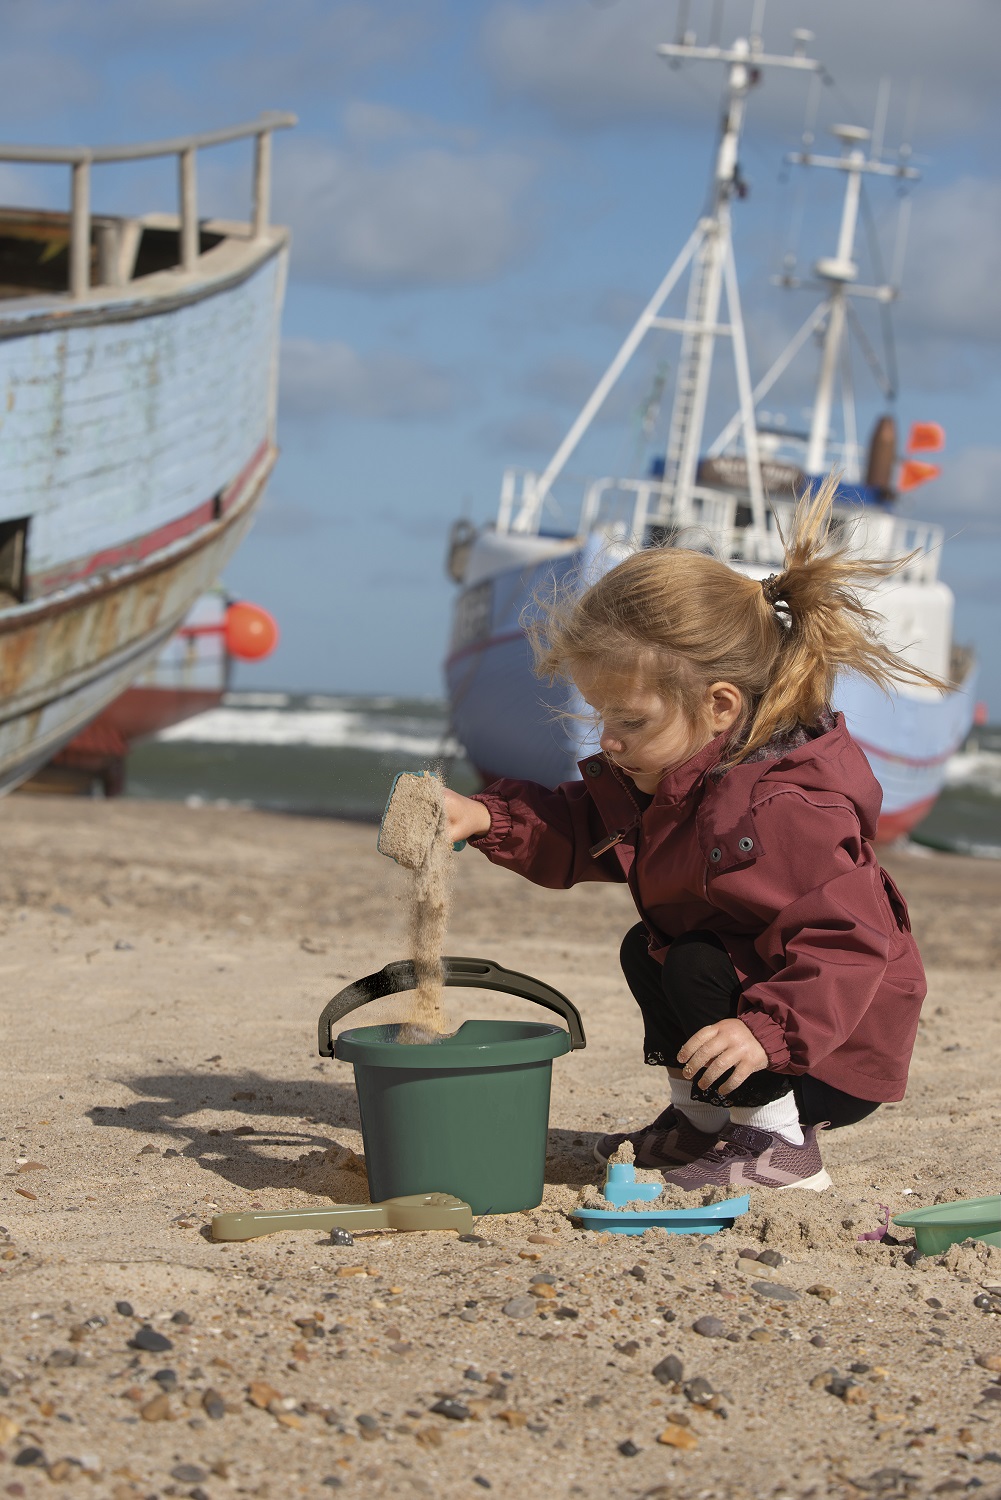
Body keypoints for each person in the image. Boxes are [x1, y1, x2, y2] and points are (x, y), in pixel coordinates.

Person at [442, 477, 939, 1192]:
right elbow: (584, 825)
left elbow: (846, 942)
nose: (607, 739)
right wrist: (487, 816)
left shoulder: (784, 807)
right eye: (601, 716)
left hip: (828, 1041)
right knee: (651, 950)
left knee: (697, 962)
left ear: (718, 706)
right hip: (766, 1020)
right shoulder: (676, 778)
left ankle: (778, 1148)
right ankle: (703, 1125)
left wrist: (766, 1034)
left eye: (631, 721)